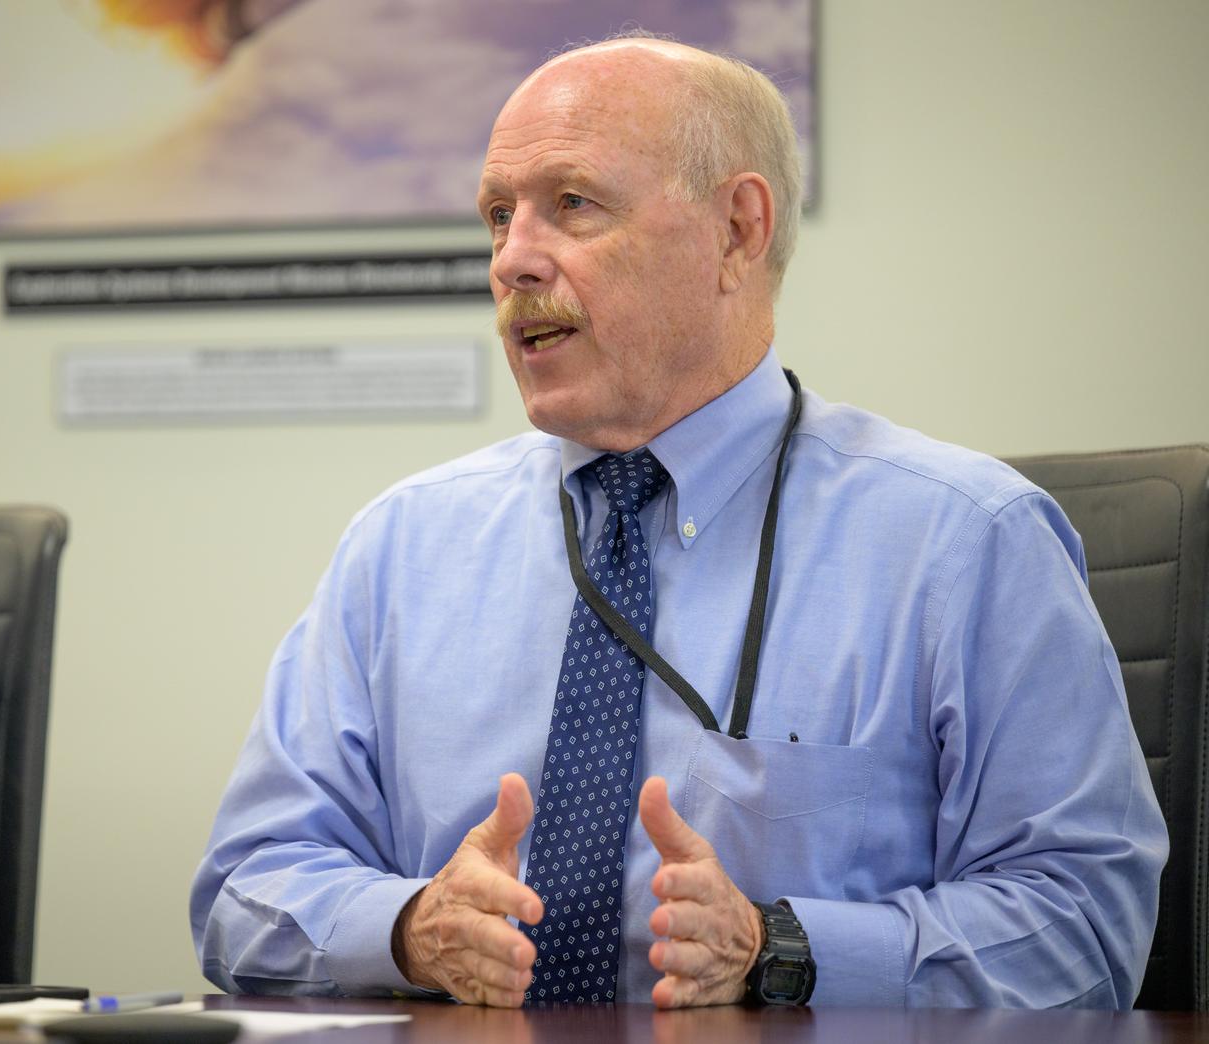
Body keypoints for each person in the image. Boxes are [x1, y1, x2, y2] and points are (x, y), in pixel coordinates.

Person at [190, 35, 1167, 1009]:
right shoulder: (401, 548)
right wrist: (410, 929)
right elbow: (245, 886)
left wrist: (782, 948)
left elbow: (1084, 929)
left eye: (573, 203)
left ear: (737, 230)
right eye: (498, 216)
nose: (512, 259)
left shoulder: (966, 542)